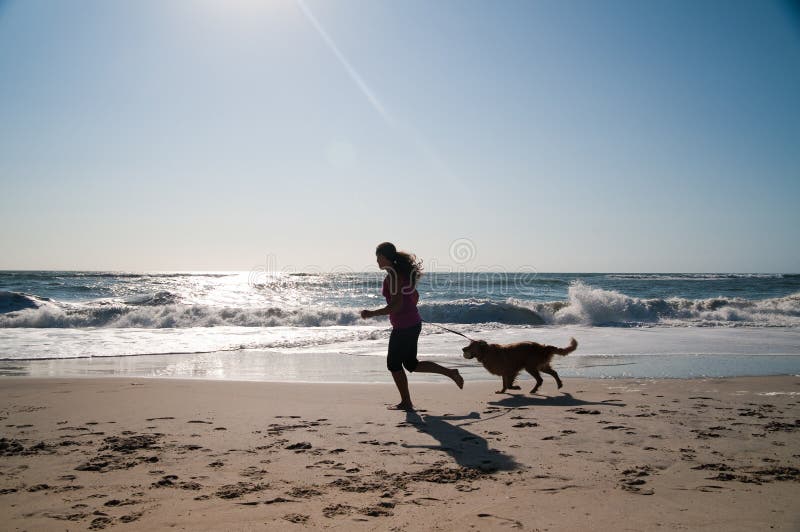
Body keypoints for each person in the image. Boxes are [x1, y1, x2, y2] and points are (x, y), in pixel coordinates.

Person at [360, 242, 463, 410]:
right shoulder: (402, 273)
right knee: (411, 364)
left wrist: (371, 313)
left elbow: (396, 306)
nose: (377, 261)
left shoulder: (392, 276)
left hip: (404, 326)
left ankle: (406, 402)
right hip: (412, 323)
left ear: (385, 257)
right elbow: (415, 296)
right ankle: (451, 373)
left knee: (394, 365)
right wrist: (410, 310)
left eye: (378, 257)